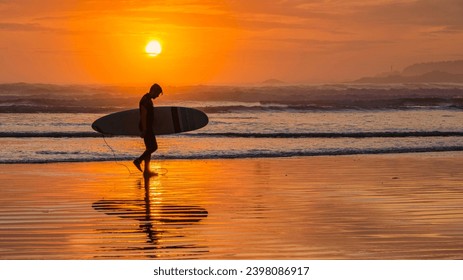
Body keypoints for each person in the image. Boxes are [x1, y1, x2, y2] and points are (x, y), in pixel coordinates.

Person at [133, 83, 163, 177]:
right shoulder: (146, 100)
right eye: (157, 93)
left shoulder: (148, 99)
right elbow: (143, 115)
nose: (157, 96)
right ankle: (138, 160)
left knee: (149, 148)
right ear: (153, 90)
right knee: (154, 147)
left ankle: (146, 171)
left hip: (147, 127)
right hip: (146, 127)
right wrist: (145, 129)